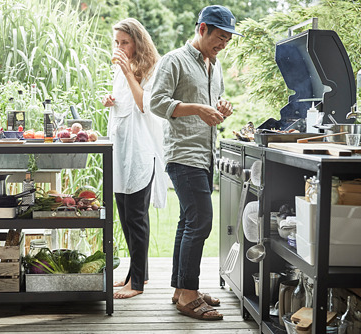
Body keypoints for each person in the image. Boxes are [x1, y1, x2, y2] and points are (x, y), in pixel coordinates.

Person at [150, 5, 242, 320]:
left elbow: (209, 106)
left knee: (188, 222)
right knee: (201, 221)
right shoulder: (173, 60)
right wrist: (199, 109)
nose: (223, 44)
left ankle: (181, 289)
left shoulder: (213, 67)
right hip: (183, 153)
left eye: (228, 40)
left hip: (205, 154)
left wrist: (219, 108)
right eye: (219, 37)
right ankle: (189, 295)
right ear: (202, 29)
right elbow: (157, 102)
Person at [102, 18, 167, 299]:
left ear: (137, 42)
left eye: (124, 42)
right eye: (116, 43)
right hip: (121, 154)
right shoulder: (120, 71)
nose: (119, 47)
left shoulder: (152, 70)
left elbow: (144, 104)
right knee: (127, 217)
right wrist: (112, 100)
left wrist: (128, 72)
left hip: (141, 154)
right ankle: (138, 274)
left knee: (136, 218)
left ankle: (137, 284)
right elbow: (126, 102)